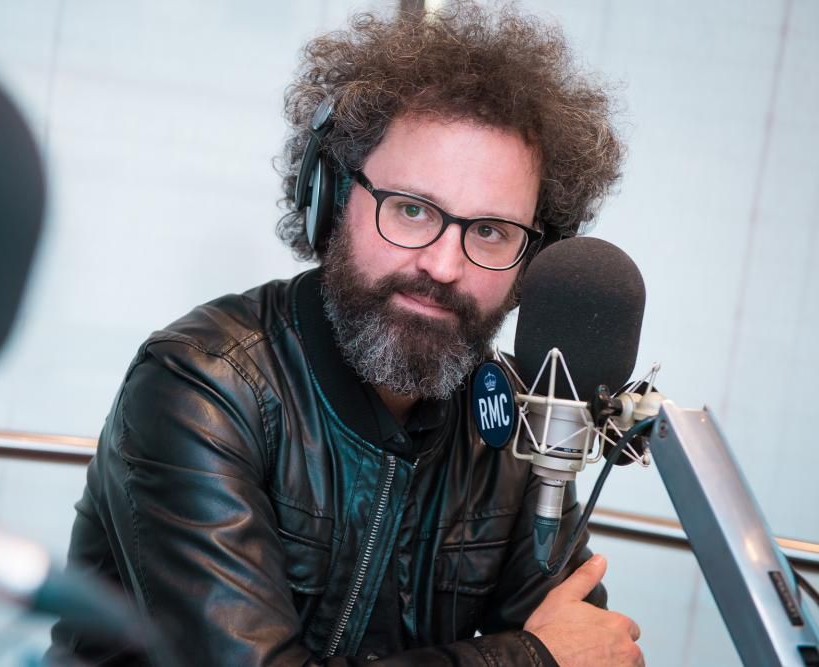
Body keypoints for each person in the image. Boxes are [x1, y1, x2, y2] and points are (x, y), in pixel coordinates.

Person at [50, 3, 643, 665]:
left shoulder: (503, 428)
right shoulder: (201, 385)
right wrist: (529, 658)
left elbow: (588, 646)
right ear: (331, 200)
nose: (444, 266)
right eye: (411, 210)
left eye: (489, 231)